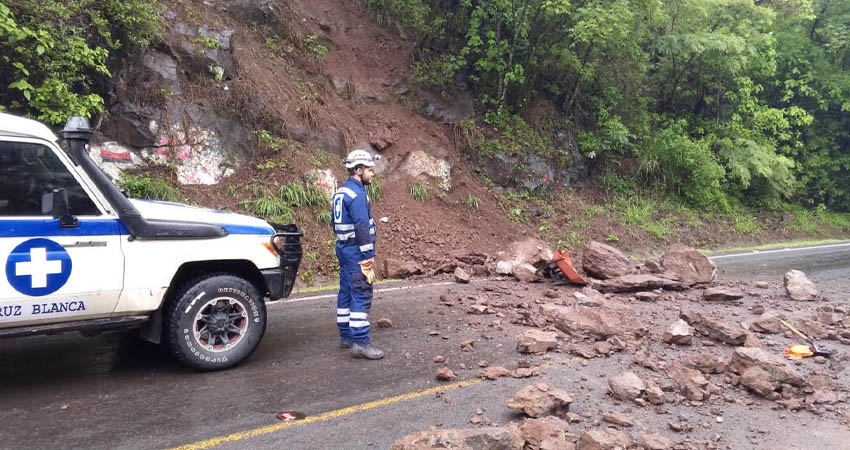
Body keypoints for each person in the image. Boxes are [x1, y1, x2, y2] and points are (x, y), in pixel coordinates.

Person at [332, 149, 383, 359]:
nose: (372, 174)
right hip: (356, 251)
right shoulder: (357, 194)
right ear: (358, 170)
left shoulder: (341, 192)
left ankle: (346, 336)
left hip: (344, 248)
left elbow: (333, 224)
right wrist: (368, 253)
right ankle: (361, 342)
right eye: (370, 170)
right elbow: (362, 226)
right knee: (361, 293)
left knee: (346, 292)